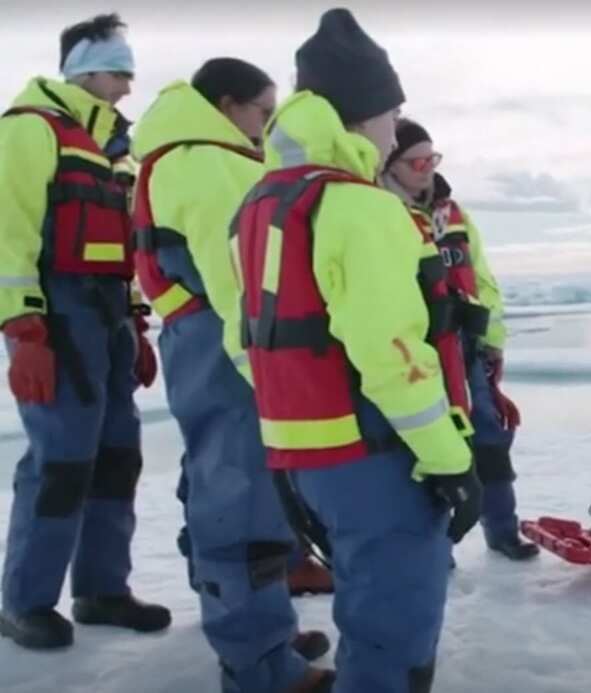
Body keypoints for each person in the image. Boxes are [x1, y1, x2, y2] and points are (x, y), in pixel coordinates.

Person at [233, 9, 481, 692]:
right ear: (358, 116)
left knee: (367, 609)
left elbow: (242, 337)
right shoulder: (362, 210)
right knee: (391, 635)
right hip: (375, 459)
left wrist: (289, 431)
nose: (396, 131)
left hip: (298, 454)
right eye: (390, 114)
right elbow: (392, 351)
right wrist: (449, 458)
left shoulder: (260, 205)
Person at [130, 57, 333, 691]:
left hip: (206, 342)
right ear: (226, 105)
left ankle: (255, 627)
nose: (266, 129)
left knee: (229, 486)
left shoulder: (187, 157)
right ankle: (259, 664)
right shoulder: (206, 161)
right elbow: (241, 281)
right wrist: (271, 370)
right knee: (240, 497)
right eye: (262, 113)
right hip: (227, 347)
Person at [0, 12, 169, 651]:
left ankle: (103, 590)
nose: (127, 86)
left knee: (118, 454)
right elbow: (6, 228)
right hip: (56, 312)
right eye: (118, 71)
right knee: (62, 459)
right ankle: (24, 602)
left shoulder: (111, 147)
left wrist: (134, 319)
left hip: (106, 316)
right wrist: (22, 325)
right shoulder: (29, 129)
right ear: (83, 69)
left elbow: (121, 240)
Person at [381, 118, 538, 561]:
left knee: (489, 433)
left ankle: (503, 530)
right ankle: (437, 549)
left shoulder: (453, 214)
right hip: (416, 354)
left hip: (466, 346)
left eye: (432, 158)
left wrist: (492, 339)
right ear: (391, 165)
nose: (426, 167)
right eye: (416, 160)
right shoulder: (379, 211)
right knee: (426, 446)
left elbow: (482, 278)